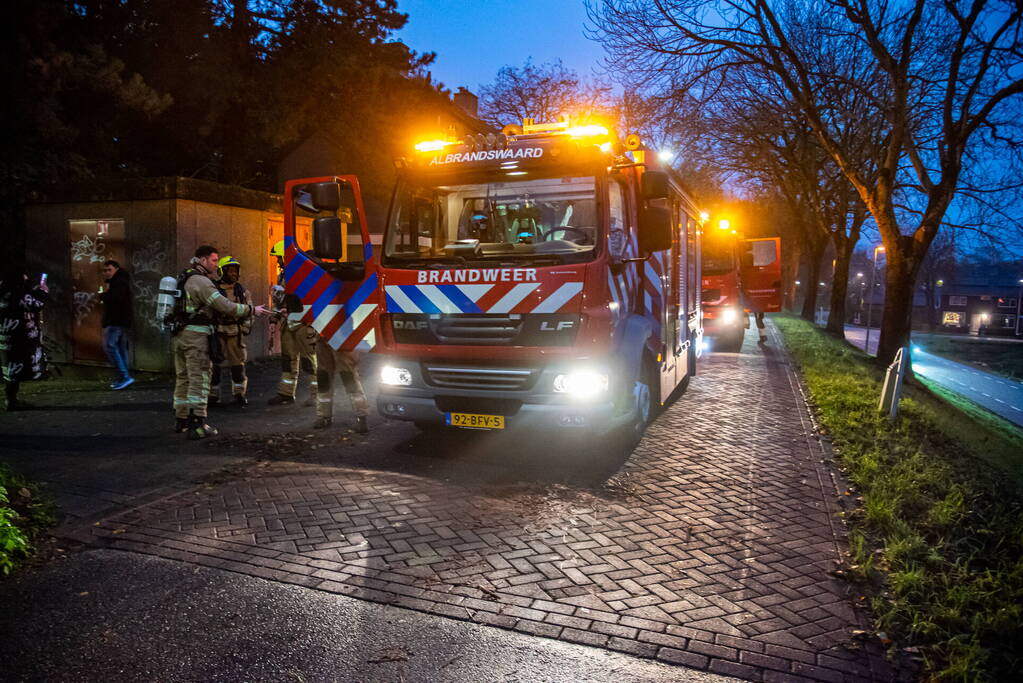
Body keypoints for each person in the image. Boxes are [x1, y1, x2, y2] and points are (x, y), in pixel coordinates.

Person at [171, 246, 269, 439]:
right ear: (202, 260)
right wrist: (251, 310)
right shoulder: (201, 281)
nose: (216, 265)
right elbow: (224, 306)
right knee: (199, 378)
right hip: (196, 337)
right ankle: (197, 424)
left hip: (180, 335)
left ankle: (181, 420)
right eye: (214, 260)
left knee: (183, 378)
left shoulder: (183, 278)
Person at [267, 240, 318, 407]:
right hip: (288, 325)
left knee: (308, 361)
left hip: (303, 324)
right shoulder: (283, 276)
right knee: (288, 360)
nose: (278, 262)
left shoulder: (305, 275)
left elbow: (311, 300)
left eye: (280, 258)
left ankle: (317, 394)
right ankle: (286, 394)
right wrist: (274, 319)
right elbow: (278, 303)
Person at [0, 268, 49, 411]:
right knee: (18, 367)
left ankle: (11, 399)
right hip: (20, 338)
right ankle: (12, 401)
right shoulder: (19, 294)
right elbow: (37, 304)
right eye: (24, 278)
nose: (26, 280)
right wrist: (43, 291)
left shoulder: (3, 292)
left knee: (9, 370)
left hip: (5, 338)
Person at [208, 255, 252, 407]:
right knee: (215, 365)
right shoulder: (213, 289)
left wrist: (244, 328)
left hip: (235, 332)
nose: (234, 273)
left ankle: (239, 394)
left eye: (236, 271)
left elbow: (248, 311)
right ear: (222, 271)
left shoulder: (242, 291)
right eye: (231, 270)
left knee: (237, 366)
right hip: (218, 331)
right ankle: (212, 395)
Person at [313, 336, 369, 433]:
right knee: (324, 377)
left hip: (342, 335)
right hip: (322, 336)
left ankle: (361, 417)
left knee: (349, 378)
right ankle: (323, 416)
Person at [99, 260, 134, 390]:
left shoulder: (118, 282)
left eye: (109, 269)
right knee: (120, 348)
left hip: (116, 320)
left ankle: (124, 376)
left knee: (110, 346)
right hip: (121, 320)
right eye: (105, 270)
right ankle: (124, 377)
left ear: (116, 269)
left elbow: (116, 298)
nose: (107, 272)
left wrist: (103, 295)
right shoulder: (119, 280)